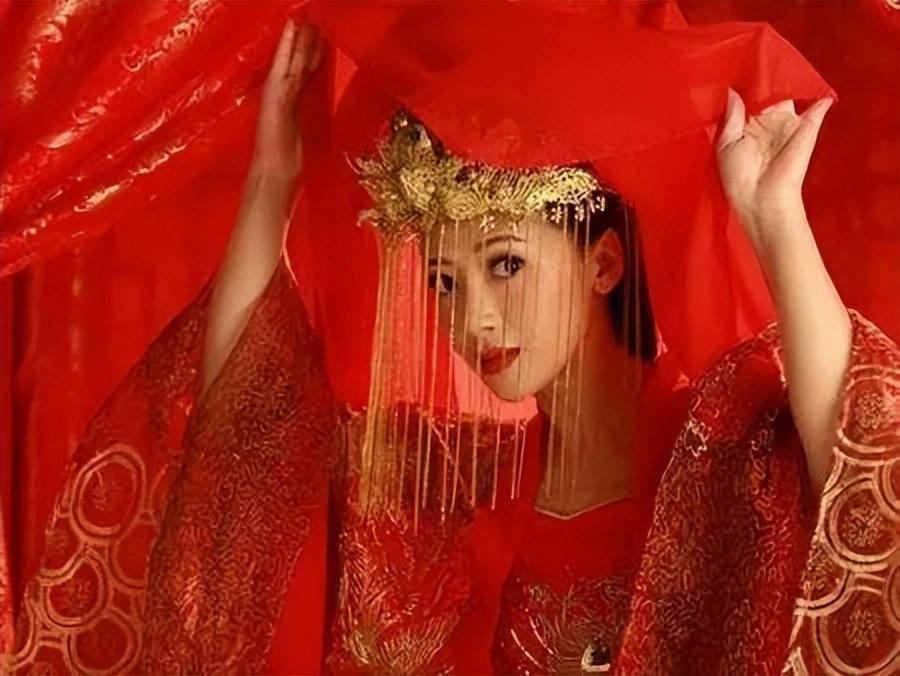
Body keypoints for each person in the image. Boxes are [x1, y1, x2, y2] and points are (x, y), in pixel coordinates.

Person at [8, 2, 898, 674]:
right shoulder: (454, 490)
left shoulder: (719, 460)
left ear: (603, 262)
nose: (473, 317)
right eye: (443, 280)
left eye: (505, 264)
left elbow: (866, 483)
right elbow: (248, 436)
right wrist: (273, 179)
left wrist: (774, 218)